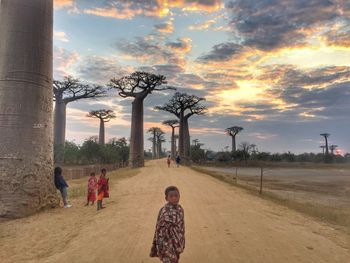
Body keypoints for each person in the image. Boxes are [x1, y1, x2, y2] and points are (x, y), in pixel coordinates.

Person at [150, 186, 185, 263]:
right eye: (171, 196)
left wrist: (180, 238)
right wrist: (162, 242)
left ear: (179, 196)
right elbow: (159, 229)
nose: (174, 198)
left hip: (177, 242)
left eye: (176, 196)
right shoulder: (164, 211)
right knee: (169, 259)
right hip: (166, 242)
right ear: (166, 198)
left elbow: (181, 226)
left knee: (175, 258)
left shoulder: (180, 209)